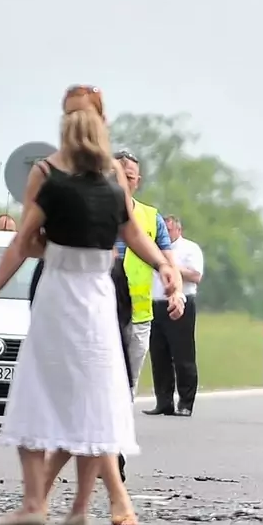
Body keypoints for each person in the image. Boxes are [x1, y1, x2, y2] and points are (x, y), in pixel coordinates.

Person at [0, 84, 183, 525]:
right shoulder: (113, 177)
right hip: (98, 295)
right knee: (95, 397)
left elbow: (23, 240)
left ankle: (34, 503)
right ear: (102, 127)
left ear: (67, 127)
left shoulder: (47, 174)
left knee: (36, 392)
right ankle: (80, 509)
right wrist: (166, 265)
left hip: (59, 290)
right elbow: (133, 233)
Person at [111, 149, 173, 399]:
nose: (125, 183)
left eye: (131, 177)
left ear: (138, 180)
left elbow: (169, 261)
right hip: (104, 310)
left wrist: (176, 291)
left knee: (128, 383)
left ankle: (119, 432)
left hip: (139, 313)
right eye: (119, 176)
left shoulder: (150, 217)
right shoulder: (92, 211)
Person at [146, 214, 204, 415]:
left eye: (169, 230)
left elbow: (196, 275)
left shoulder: (189, 248)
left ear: (178, 230)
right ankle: (164, 401)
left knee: (183, 354)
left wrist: (171, 267)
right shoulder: (153, 250)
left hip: (182, 302)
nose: (166, 234)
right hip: (156, 303)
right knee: (158, 355)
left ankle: (186, 402)